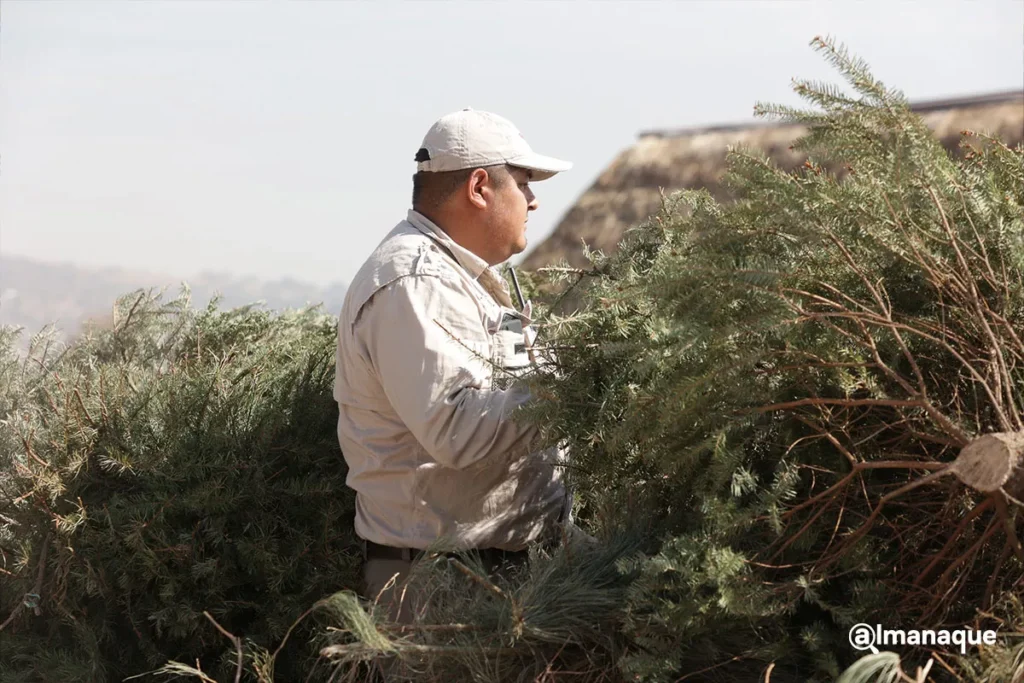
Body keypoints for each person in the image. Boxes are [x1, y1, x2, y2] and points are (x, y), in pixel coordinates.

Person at [333, 108, 573, 622]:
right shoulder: (412, 280)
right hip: (440, 584)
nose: (534, 200)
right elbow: (455, 430)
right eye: (525, 182)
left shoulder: (470, 278)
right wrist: (572, 391)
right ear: (480, 187)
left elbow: (511, 382)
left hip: (484, 568)